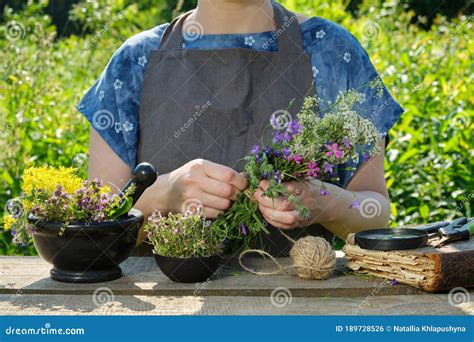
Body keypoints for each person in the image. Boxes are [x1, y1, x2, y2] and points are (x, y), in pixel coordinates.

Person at [77, 0, 404, 255]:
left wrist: (324, 201)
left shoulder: (333, 52)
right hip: (160, 312)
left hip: (303, 306)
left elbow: (375, 212)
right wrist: (162, 196)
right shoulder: (134, 62)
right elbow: (94, 231)